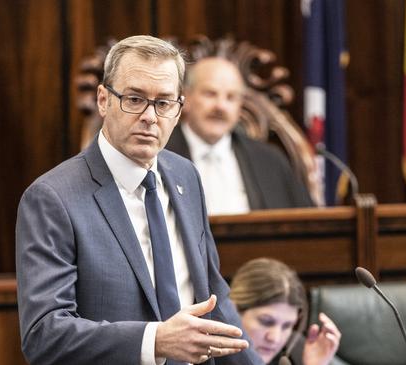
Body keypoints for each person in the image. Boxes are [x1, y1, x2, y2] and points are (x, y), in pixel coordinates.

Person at [16, 35, 264, 365]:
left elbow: (214, 301)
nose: (149, 116)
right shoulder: (52, 198)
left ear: (179, 110)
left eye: (163, 103)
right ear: (103, 100)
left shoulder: (185, 177)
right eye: (134, 99)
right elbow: (44, 334)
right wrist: (155, 341)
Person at [165, 57, 314, 215]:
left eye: (231, 97)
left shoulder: (269, 161)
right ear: (185, 98)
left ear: (240, 106)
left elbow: (306, 226)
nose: (220, 106)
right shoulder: (157, 155)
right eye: (210, 94)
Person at [230, 258, 341, 365]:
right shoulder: (213, 356)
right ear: (233, 310)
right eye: (266, 322)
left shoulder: (296, 355)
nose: (275, 338)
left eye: (287, 326)